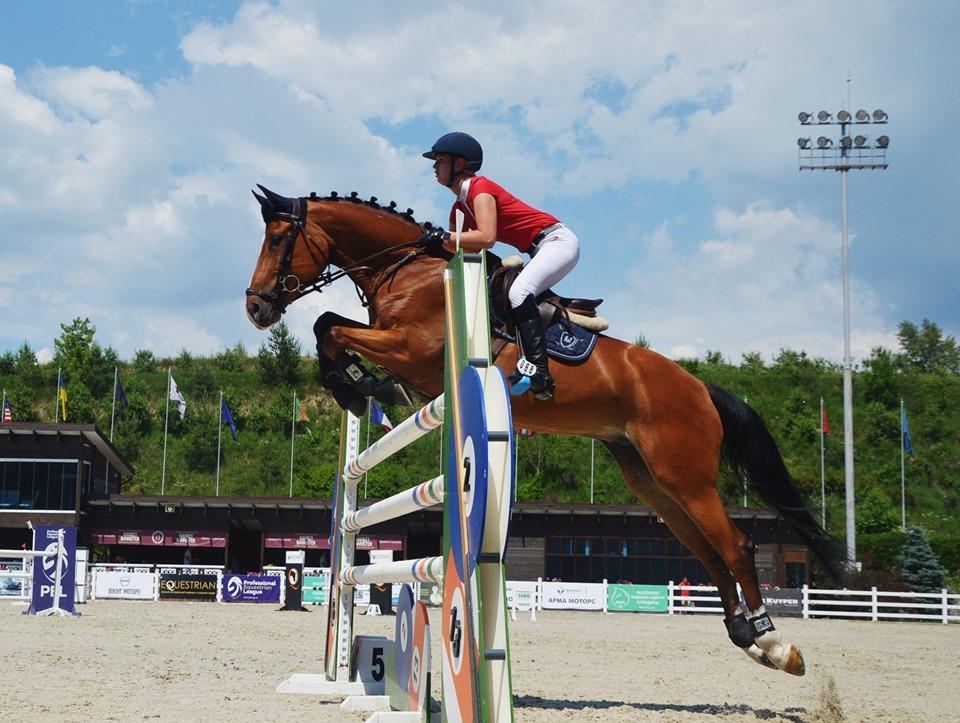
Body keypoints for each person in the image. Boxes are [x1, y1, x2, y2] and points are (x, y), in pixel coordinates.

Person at [422, 132, 580, 401]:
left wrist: (444, 237)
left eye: (440, 160)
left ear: (459, 164)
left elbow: (486, 238)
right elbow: (460, 250)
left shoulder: (480, 188)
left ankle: (540, 372)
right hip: (538, 248)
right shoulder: (458, 208)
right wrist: (431, 241)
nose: (434, 166)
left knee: (519, 292)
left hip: (557, 241)